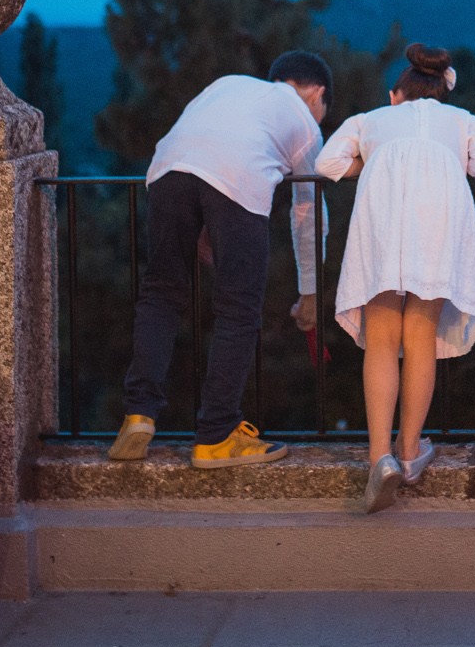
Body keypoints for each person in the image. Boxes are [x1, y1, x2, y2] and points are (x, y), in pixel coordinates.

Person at [106, 51, 331, 468]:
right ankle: (215, 435)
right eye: (322, 111)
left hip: (168, 171)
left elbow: (201, 157)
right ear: (316, 94)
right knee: (238, 310)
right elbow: (308, 209)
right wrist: (311, 292)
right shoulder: (304, 122)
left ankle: (138, 414)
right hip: (238, 177)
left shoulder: (227, 82)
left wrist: (205, 223)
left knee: (160, 294)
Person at [314, 43, 475, 513]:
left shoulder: (370, 119)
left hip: (382, 223)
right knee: (420, 337)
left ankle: (379, 457)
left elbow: (326, 164)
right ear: (441, 91)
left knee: (381, 339)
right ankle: (409, 451)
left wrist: (369, 163)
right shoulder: (461, 120)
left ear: (395, 95)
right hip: (437, 224)